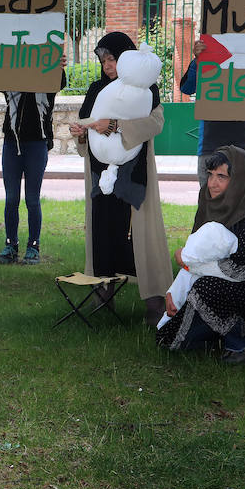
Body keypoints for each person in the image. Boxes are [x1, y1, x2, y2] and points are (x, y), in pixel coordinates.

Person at [68, 31, 173, 326]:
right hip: (101, 175)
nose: (107, 65)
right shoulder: (95, 89)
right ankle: (104, 295)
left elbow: (155, 122)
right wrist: (80, 133)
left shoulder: (145, 88)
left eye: (112, 59)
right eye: (103, 60)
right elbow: (87, 124)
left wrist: (116, 125)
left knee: (139, 235)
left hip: (133, 174)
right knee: (104, 231)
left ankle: (155, 303)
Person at [156, 147, 245, 363]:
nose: (212, 183)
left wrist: (188, 262)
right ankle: (243, 332)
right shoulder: (209, 203)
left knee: (205, 289)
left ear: (239, 179)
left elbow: (242, 270)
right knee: (169, 337)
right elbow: (197, 254)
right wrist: (176, 289)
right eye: (210, 174)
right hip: (227, 289)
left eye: (221, 176)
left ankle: (243, 343)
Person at [0, 69, 65, 265]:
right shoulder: (11, 78)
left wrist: (57, 64)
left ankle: (33, 246)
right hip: (12, 145)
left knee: (32, 199)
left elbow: (60, 80)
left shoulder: (48, 80)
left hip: (37, 144)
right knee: (11, 199)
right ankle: (11, 245)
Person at [179, 39, 245, 183]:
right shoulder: (207, 59)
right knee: (210, 203)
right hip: (211, 145)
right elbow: (187, 88)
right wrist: (199, 61)